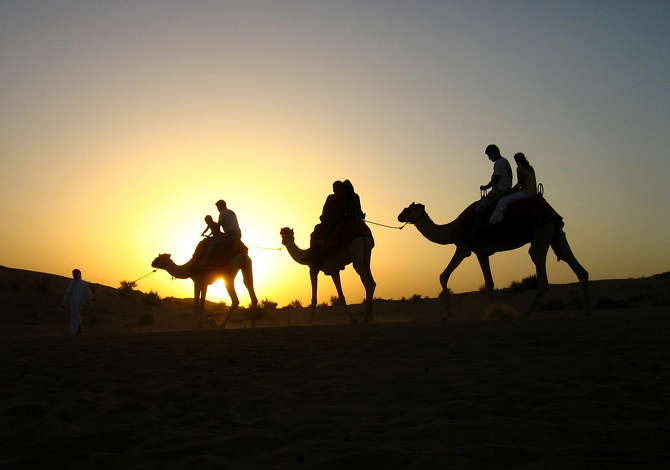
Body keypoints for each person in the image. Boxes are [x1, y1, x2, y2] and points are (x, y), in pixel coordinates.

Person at [468, 144, 513, 237]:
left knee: (480, 207)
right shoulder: (505, 162)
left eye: (489, 155)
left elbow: (495, 179)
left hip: (499, 190)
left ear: (493, 153)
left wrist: (485, 187)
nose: (489, 158)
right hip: (506, 190)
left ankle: (474, 230)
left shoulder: (498, 163)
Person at [488, 152, 537, 225]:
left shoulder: (520, 168)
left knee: (502, 201)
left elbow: (520, 183)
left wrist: (512, 190)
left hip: (526, 192)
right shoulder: (530, 168)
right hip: (533, 191)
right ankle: (499, 220)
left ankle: (491, 222)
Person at [197, 200, 242, 269]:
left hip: (229, 234)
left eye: (218, 207)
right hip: (238, 234)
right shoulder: (231, 212)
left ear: (222, 206)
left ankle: (203, 263)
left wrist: (210, 233)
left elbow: (218, 226)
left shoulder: (222, 213)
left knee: (212, 244)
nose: (217, 209)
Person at [61, 269, 94, 334]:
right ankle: (75, 329)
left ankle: (78, 327)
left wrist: (91, 297)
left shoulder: (84, 283)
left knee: (76, 313)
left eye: (75, 273)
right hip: (73, 301)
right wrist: (64, 302)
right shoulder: (71, 283)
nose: (74, 275)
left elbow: (88, 291)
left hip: (80, 300)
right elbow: (68, 292)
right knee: (74, 315)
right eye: (74, 273)